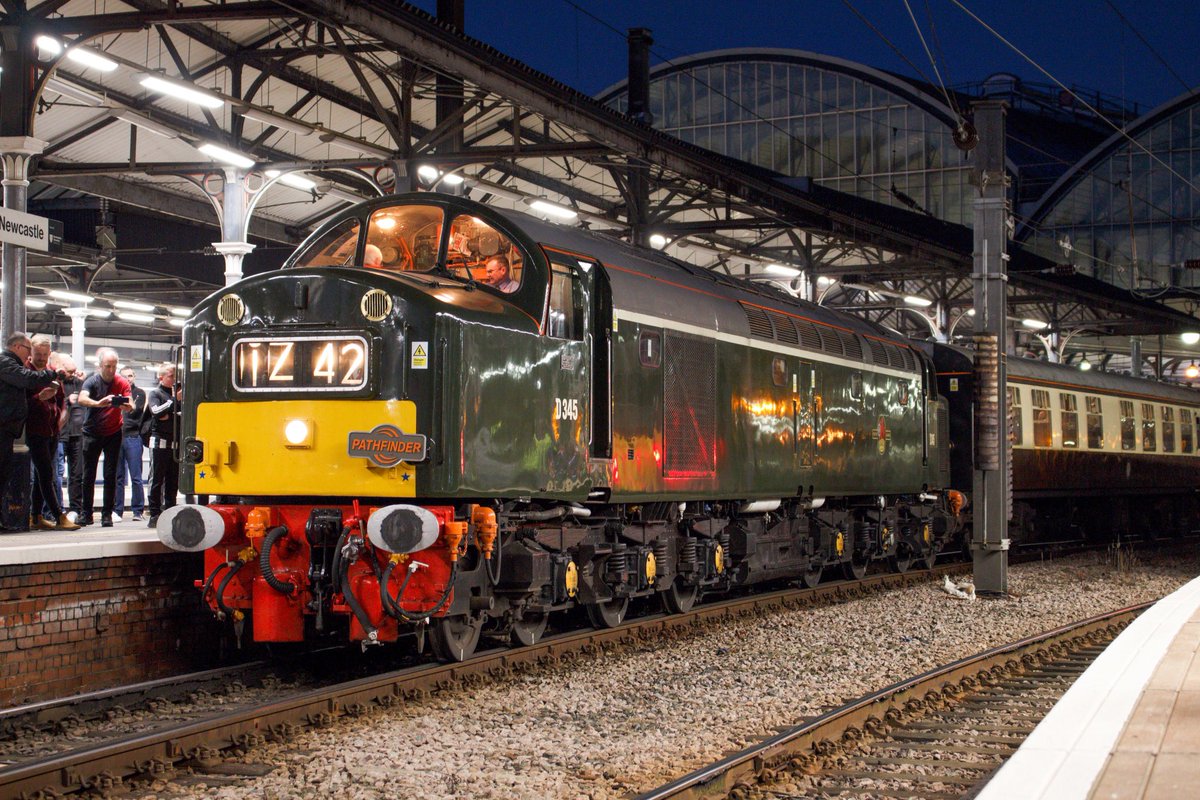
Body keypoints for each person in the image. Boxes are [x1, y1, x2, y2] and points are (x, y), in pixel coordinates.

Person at [0, 332, 58, 532]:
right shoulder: (5, 362)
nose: (29, 356)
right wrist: (53, 373)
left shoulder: (10, 364)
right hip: (2, 429)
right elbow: (26, 378)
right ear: (17, 347)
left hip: (7, 430)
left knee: (3, 474)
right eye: (28, 350)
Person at [25, 336, 78, 531]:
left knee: (42, 474)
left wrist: (62, 417)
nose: (40, 358)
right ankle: (58, 515)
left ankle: (36, 515)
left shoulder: (51, 373)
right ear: (31, 352)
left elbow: (62, 400)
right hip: (34, 430)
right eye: (37, 354)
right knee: (46, 473)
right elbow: (21, 404)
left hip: (52, 430)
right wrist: (39, 397)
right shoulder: (26, 374)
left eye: (44, 355)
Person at [76, 348, 131, 527]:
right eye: (108, 366)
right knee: (88, 475)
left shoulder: (121, 382)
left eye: (114, 366)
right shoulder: (92, 381)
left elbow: (131, 402)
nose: (111, 370)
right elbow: (82, 399)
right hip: (92, 432)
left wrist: (127, 406)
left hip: (113, 433)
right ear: (100, 366)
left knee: (110, 474)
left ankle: (107, 514)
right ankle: (87, 513)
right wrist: (98, 404)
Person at [145, 363, 178, 527]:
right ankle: (155, 513)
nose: (174, 379)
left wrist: (169, 413)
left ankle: (170, 510)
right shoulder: (155, 393)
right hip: (159, 442)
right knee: (156, 479)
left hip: (174, 443)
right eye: (171, 376)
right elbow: (156, 412)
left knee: (173, 480)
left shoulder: (176, 395)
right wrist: (173, 403)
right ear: (161, 377)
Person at [113, 366, 146, 522]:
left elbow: (134, 411)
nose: (128, 378)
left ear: (134, 376)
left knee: (136, 477)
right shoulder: (114, 392)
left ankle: (137, 511)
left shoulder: (139, 393)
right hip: (116, 437)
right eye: (125, 376)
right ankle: (117, 511)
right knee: (118, 476)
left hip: (133, 437)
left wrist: (121, 406)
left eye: (130, 375)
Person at [56, 355, 85, 522]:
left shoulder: (80, 383)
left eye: (74, 371)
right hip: (60, 433)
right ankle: (57, 508)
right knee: (57, 473)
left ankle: (75, 508)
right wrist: (68, 400)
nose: (73, 374)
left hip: (77, 434)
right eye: (69, 371)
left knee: (76, 473)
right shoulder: (56, 383)